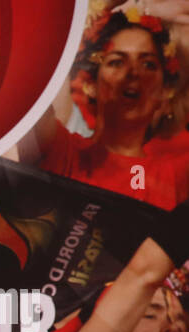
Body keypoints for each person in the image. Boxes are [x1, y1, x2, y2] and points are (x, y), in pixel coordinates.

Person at [25, 8, 188, 210]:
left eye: (148, 64)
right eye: (117, 62)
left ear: (165, 91)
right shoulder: (61, 149)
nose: (133, 72)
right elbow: (24, 68)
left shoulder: (175, 178)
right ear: (90, 85)